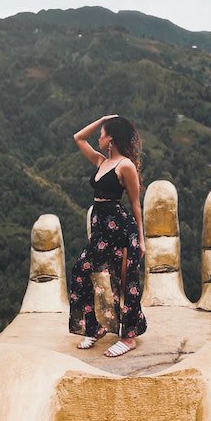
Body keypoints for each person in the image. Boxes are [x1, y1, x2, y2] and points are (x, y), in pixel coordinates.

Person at [68, 114, 147, 357]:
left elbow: (135, 203)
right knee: (82, 272)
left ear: (110, 138)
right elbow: (78, 138)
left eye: (102, 133)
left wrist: (141, 239)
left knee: (124, 281)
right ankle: (95, 327)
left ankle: (129, 337)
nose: (99, 137)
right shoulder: (101, 161)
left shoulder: (126, 166)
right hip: (101, 228)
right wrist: (102, 119)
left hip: (120, 228)